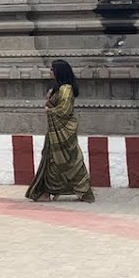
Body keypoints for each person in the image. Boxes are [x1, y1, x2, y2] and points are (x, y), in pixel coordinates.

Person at [25, 60, 95, 203]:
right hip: (54, 132)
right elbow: (54, 105)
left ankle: (79, 190)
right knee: (50, 159)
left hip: (63, 132)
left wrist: (49, 111)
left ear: (59, 71)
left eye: (52, 69)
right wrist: (49, 100)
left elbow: (64, 110)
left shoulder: (66, 89)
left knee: (66, 161)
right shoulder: (58, 89)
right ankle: (47, 191)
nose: (50, 72)